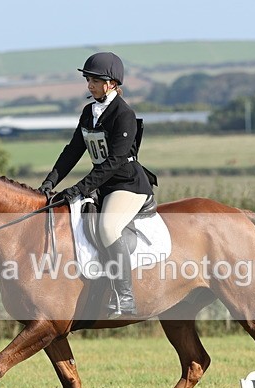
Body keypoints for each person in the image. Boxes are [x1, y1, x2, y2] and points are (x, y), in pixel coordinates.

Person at [39, 52, 154, 317]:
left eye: (95, 80)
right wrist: (50, 182)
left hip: (127, 185)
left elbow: (114, 161)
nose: (89, 84)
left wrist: (79, 188)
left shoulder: (124, 114)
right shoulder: (89, 111)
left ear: (112, 83)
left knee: (107, 226)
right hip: (103, 183)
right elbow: (73, 151)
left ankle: (126, 296)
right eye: (88, 79)